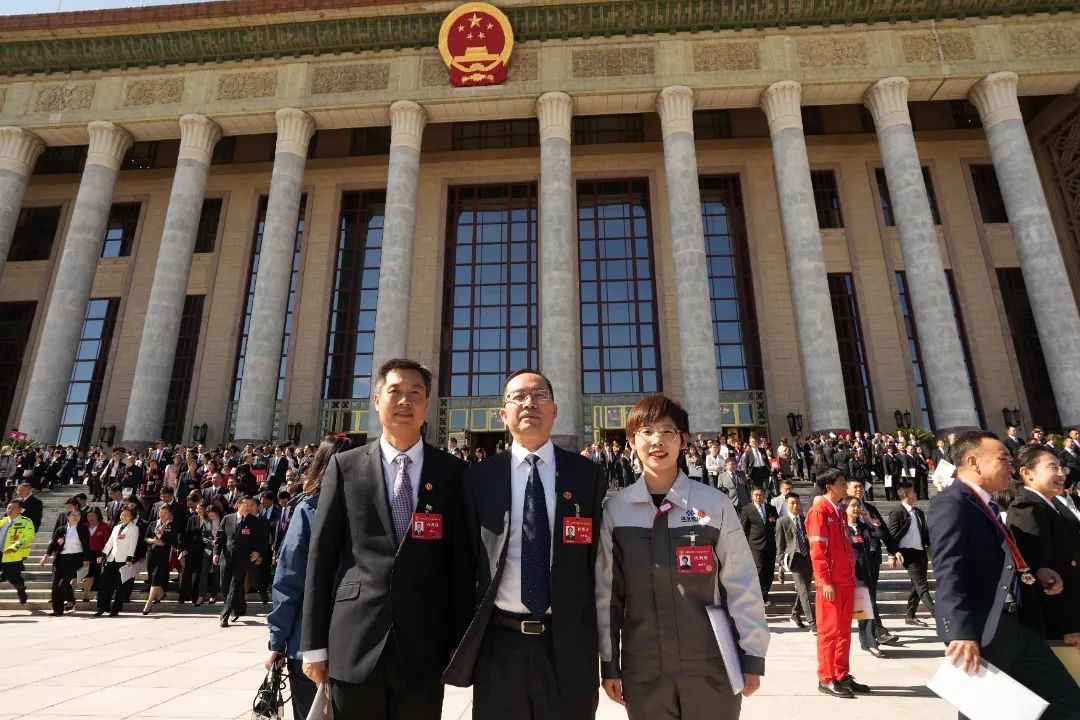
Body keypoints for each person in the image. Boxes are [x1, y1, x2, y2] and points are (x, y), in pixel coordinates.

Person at [302, 359, 468, 720]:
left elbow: (460, 564)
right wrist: (312, 645)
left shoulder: (453, 472)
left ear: (427, 404)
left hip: (424, 644)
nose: (405, 401)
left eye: (415, 393)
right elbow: (321, 558)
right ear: (377, 400)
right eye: (395, 392)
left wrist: (459, 639)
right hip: (355, 641)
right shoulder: (345, 466)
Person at [445, 368, 606, 720]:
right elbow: (463, 563)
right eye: (518, 397)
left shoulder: (587, 475)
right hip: (499, 645)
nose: (529, 403)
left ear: (555, 410)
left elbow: (599, 563)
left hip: (567, 644)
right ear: (503, 414)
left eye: (539, 395)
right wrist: (459, 637)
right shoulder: (479, 477)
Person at [595, 394, 767, 719]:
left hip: (712, 667)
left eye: (667, 431)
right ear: (631, 441)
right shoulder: (616, 512)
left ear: (683, 440)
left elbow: (741, 582)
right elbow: (608, 596)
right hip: (644, 670)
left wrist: (752, 653)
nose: (657, 440)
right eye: (646, 432)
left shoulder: (714, 504)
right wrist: (610, 662)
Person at [929, 431, 1080, 718]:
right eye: (1003, 459)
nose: (1011, 467)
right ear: (973, 462)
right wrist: (960, 632)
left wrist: (1036, 571)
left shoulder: (987, 505)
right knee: (984, 712)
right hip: (985, 629)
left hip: (1015, 625)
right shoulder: (952, 502)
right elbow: (949, 569)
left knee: (1066, 702)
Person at [266, 435, 349, 720]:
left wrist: (277, 641)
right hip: (355, 644)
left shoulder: (309, 509)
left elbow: (289, 579)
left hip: (308, 643)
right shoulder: (372, 510)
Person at [1006, 444, 1080, 645]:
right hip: (1059, 624)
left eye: (1062, 468)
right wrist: (1068, 626)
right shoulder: (1027, 508)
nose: (1061, 474)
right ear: (1027, 473)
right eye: (1052, 467)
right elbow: (1041, 575)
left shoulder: (1055, 504)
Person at [806, 469, 868, 698]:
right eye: (842, 482)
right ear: (829, 486)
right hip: (830, 584)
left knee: (843, 632)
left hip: (846, 581)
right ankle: (826, 678)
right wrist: (824, 581)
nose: (845, 486)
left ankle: (841, 674)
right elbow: (817, 551)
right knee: (829, 632)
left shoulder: (839, 513)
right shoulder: (819, 511)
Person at [214, 495, 269, 627]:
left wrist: (258, 552)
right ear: (238, 505)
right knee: (224, 586)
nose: (249, 508)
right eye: (246, 505)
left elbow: (262, 540)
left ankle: (225, 615)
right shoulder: (227, 518)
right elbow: (220, 537)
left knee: (235, 585)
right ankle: (239, 607)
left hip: (243, 559)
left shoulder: (254, 521)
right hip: (226, 558)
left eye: (251, 505)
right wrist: (216, 553)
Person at [886, 482, 935, 627]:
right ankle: (939, 616)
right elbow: (892, 536)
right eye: (913, 492)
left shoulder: (918, 512)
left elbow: (925, 533)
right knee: (922, 585)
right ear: (905, 494)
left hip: (920, 552)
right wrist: (891, 555)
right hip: (907, 553)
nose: (916, 494)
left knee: (916, 585)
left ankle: (910, 616)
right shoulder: (897, 512)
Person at [842, 496, 883, 657]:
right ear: (845, 509)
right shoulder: (843, 528)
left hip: (868, 572)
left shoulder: (863, 527)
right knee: (867, 607)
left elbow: (879, 534)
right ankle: (872, 643)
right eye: (852, 506)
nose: (856, 508)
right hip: (854, 574)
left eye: (858, 506)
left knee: (864, 609)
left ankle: (865, 642)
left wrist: (868, 519)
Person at [775, 492, 815, 632]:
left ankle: (795, 613)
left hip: (807, 558)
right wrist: (781, 563)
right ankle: (812, 622)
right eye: (792, 503)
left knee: (805, 589)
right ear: (786, 504)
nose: (795, 505)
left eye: (797, 503)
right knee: (803, 589)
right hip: (794, 559)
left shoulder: (805, 520)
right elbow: (779, 544)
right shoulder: (782, 521)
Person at [41, 506, 90, 615]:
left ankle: (71, 599)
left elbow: (86, 545)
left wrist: (86, 559)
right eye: (73, 515)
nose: (76, 517)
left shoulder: (82, 528)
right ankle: (57, 610)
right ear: (67, 517)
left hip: (75, 559)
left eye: (78, 515)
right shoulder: (61, 529)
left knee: (63, 584)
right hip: (61, 560)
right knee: (55, 586)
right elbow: (53, 544)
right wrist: (45, 556)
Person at [96, 505, 142, 616]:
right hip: (112, 558)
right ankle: (102, 607)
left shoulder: (134, 528)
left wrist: (130, 558)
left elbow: (133, 544)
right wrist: (103, 555)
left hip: (124, 560)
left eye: (127, 515)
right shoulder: (116, 527)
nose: (124, 516)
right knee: (104, 583)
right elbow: (110, 542)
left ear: (132, 517)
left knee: (120, 586)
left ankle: (115, 609)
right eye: (122, 514)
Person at [739, 487, 778, 604]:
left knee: (769, 570)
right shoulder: (747, 509)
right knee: (759, 569)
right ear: (752, 496)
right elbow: (743, 529)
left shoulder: (771, 508)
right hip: (755, 544)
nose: (758, 497)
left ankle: (765, 595)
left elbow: (776, 524)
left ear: (764, 496)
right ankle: (756, 594)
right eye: (756, 495)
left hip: (770, 544)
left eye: (761, 495)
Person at [141, 504, 177, 615]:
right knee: (151, 576)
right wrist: (154, 541)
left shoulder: (172, 525)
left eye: (165, 513)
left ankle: (149, 603)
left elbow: (174, 542)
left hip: (164, 554)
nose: (163, 514)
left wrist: (167, 543)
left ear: (169, 514)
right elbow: (146, 538)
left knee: (156, 576)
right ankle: (161, 594)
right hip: (151, 553)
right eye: (161, 512)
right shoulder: (153, 523)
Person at [1, 499, 34, 604]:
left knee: (14, 579)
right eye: (8, 508)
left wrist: (15, 547)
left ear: (20, 510)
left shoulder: (26, 522)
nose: (10, 510)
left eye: (13, 508)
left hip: (13, 555)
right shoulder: (2, 521)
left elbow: (28, 536)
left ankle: (21, 590)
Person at [80, 507, 111, 602]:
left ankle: (96, 595)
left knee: (96, 575)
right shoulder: (83, 526)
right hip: (85, 554)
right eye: (89, 516)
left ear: (98, 516)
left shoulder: (104, 526)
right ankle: (86, 595)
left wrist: (103, 555)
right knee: (86, 575)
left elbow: (107, 542)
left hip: (98, 554)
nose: (91, 518)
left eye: (93, 515)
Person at [179, 497, 206, 605]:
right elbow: (186, 535)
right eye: (198, 508)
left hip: (204, 552)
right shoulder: (192, 519)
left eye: (201, 509)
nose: (199, 511)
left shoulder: (210, 520)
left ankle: (195, 597)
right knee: (187, 574)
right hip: (191, 551)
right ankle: (183, 596)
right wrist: (183, 549)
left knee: (200, 575)